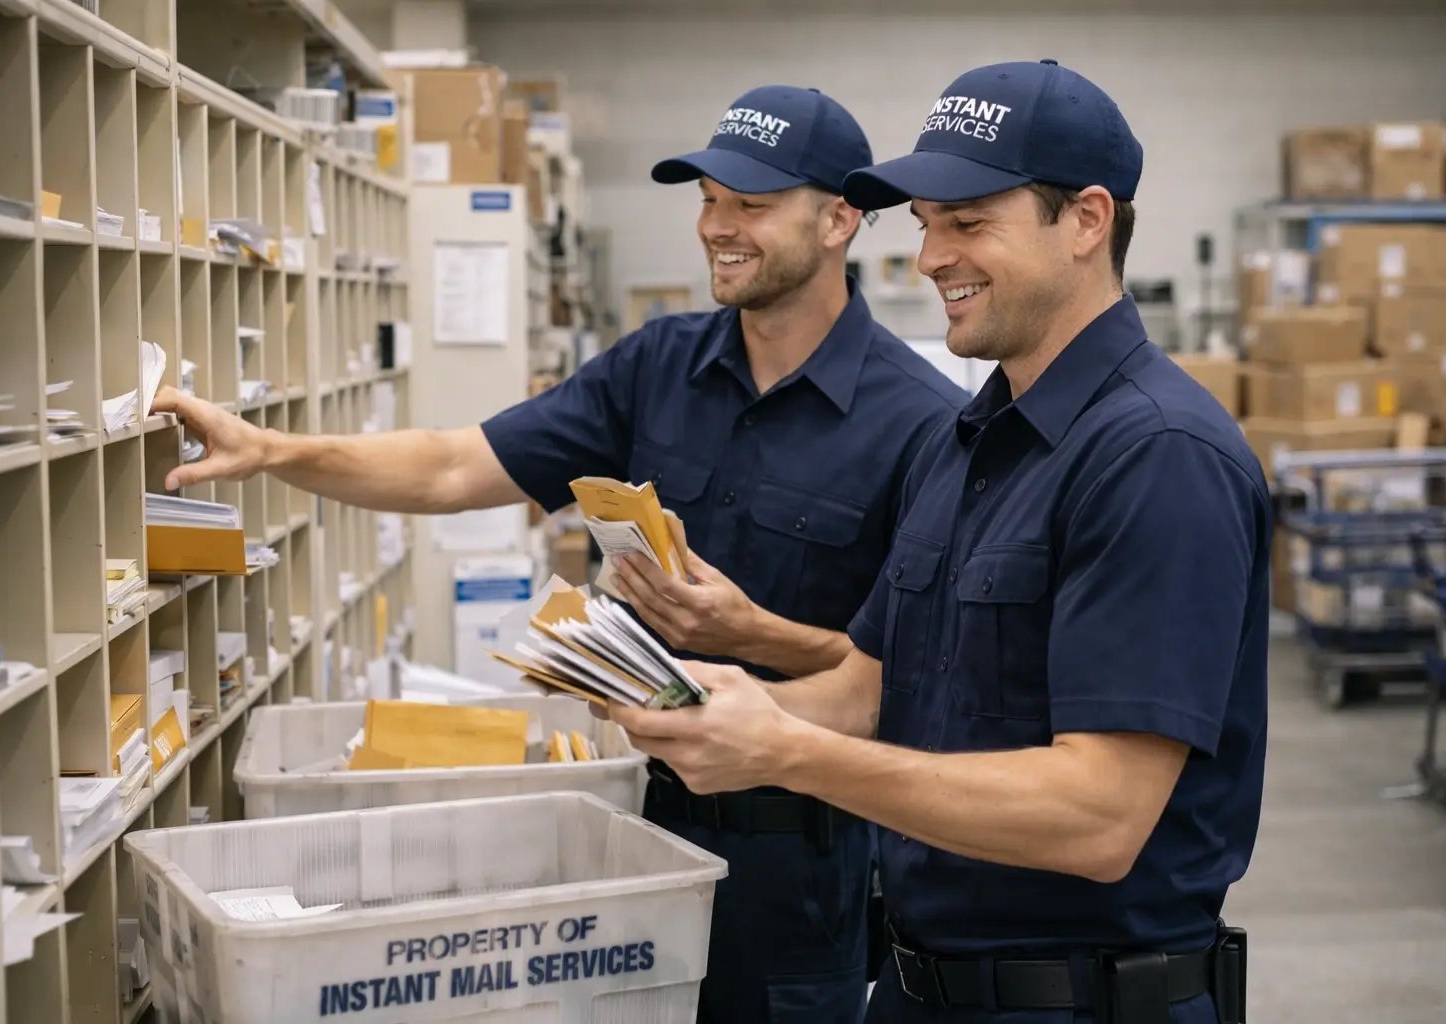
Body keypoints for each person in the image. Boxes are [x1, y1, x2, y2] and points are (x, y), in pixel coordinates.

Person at [152, 84, 968, 1022]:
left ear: (839, 220)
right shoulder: (654, 367)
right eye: (707, 199)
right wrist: (273, 452)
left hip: (796, 863)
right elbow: (454, 466)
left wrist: (755, 631)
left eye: (750, 205)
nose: (717, 227)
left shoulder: (923, 425)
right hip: (625, 825)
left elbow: (907, 684)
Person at [609, 59, 1268, 1024]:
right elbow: (875, 686)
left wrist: (784, 751)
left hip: (1081, 1003)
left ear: (1086, 221)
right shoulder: (969, 440)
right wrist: (724, 701)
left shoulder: (1156, 456)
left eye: (969, 223)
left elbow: (1100, 815)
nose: (928, 258)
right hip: (920, 986)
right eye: (924, 225)